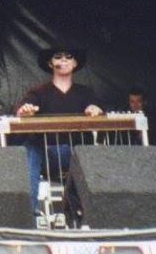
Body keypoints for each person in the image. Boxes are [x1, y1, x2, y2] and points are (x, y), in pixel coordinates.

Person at [15, 46, 103, 213]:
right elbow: (22, 108)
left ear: (75, 63)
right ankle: (28, 212)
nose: (63, 60)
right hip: (47, 155)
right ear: (50, 63)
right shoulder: (38, 92)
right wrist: (25, 110)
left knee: (91, 153)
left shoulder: (85, 92)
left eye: (68, 57)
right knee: (30, 149)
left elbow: (96, 106)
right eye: (58, 57)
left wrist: (95, 108)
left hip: (77, 153)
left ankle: (86, 212)